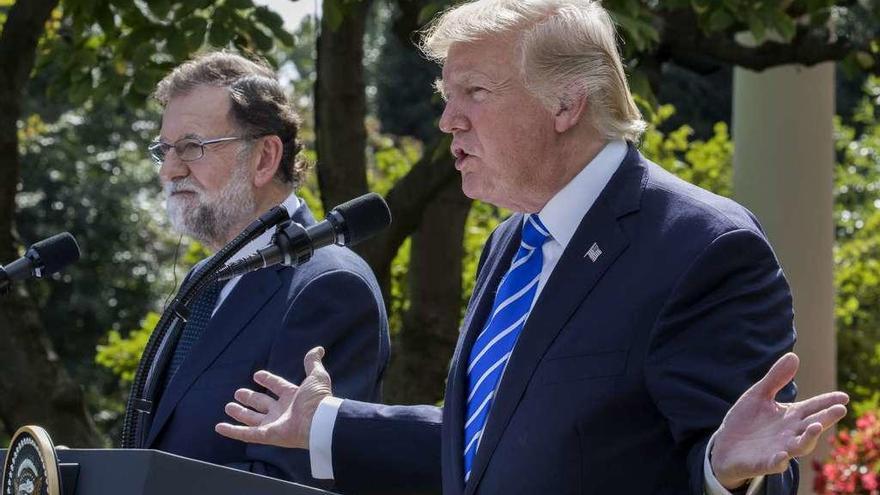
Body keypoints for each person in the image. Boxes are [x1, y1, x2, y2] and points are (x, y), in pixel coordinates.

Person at [216, 1, 849, 494]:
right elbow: (500, 439)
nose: (447, 120)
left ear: (567, 103)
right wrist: (323, 424)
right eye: (447, 96)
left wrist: (722, 470)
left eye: (476, 93)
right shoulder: (511, 241)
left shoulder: (702, 246)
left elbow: (748, 462)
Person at [135, 51, 390, 486]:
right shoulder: (206, 279)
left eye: (192, 147)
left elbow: (290, 480)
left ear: (265, 158)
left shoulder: (328, 284)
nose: (171, 170)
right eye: (165, 150)